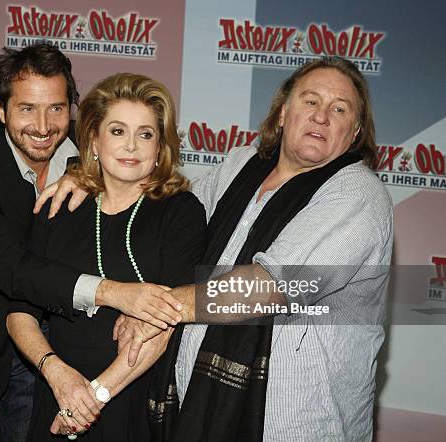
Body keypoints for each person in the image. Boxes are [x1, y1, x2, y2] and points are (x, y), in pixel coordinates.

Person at [38, 56, 394, 441]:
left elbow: (267, 288)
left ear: (356, 132)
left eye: (339, 109)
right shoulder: (242, 165)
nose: (321, 116)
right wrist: (89, 177)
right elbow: (164, 208)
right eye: (310, 101)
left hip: (296, 424)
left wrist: (157, 309)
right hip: (199, 411)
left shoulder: (357, 195)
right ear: (282, 113)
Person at [0, 44, 183, 441]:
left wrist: (81, 173)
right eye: (26, 109)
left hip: (40, 342)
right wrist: (117, 294)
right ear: (0, 112)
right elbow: (14, 270)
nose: (43, 125)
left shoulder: (87, 160)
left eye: (56, 108)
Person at [7, 73, 207, 440]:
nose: (131, 145)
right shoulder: (61, 208)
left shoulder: (181, 212)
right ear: (94, 140)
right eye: (117, 131)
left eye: (145, 134)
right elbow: (20, 312)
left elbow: (164, 325)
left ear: (160, 146)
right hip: (58, 393)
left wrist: (92, 397)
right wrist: (56, 374)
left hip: (131, 402)